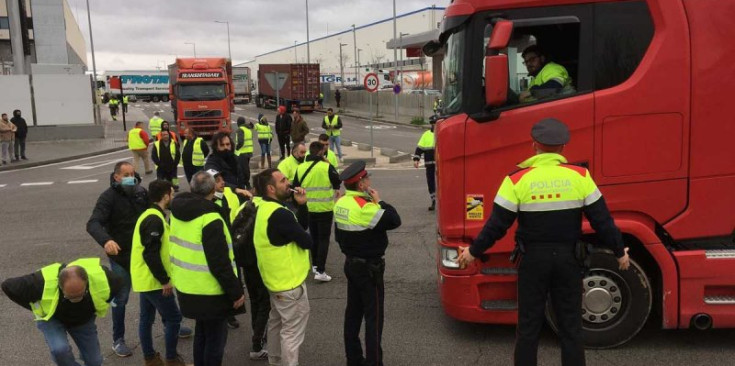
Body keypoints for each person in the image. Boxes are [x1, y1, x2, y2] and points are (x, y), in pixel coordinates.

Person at [456, 118, 631, 366]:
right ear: (562, 148)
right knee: (571, 327)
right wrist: (619, 251)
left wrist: (473, 252)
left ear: (534, 145)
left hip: (533, 261)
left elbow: (497, 225)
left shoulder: (517, 180)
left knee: (528, 327)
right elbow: (602, 220)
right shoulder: (580, 176)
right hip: (569, 260)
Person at [169, 171, 246, 366]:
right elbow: (220, 263)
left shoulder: (178, 211)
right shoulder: (211, 218)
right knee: (215, 340)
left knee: (202, 334)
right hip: (210, 291)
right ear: (212, 189)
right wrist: (236, 292)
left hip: (187, 287)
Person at [334, 161, 402, 366]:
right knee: (374, 319)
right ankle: (374, 362)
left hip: (351, 264)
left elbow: (338, 237)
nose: (369, 180)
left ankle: (353, 359)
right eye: (367, 178)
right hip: (370, 269)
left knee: (353, 314)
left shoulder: (341, 203)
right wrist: (379, 201)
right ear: (362, 185)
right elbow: (394, 220)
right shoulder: (365, 207)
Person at [1, 258, 124, 366]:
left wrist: (95, 306)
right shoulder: (40, 282)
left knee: (95, 361)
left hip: (83, 319)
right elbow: (7, 286)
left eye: (80, 295)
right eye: (70, 297)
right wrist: (33, 306)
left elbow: (119, 285)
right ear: (60, 286)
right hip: (52, 318)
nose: (76, 300)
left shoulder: (103, 277)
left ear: (87, 283)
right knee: (60, 350)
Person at [86, 161, 150, 357]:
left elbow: (152, 213)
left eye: (133, 173)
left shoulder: (141, 192)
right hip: (121, 257)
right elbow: (93, 223)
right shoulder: (108, 197)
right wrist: (106, 241)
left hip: (144, 255)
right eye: (126, 174)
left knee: (153, 292)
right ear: (116, 177)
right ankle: (118, 339)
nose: (131, 177)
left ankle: (172, 323)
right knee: (120, 299)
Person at [252, 168, 312, 366]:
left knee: (277, 324)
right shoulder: (280, 214)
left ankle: (275, 361)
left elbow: (298, 228)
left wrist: (301, 206)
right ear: (271, 188)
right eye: (283, 180)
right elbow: (306, 240)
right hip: (290, 284)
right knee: (291, 333)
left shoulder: (264, 208)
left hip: (274, 281)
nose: (288, 183)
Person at [130, 180, 189, 366]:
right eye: (171, 194)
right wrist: (164, 280)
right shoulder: (154, 219)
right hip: (154, 280)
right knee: (173, 318)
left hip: (145, 279)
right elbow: (151, 253)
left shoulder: (151, 215)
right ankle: (172, 359)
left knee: (146, 319)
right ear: (165, 196)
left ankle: (151, 359)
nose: (173, 197)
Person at [231, 178, 269, 360]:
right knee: (265, 304)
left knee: (255, 301)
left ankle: (258, 336)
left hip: (246, 263)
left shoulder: (244, 206)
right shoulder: (269, 209)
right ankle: (258, 343)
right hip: (262, 263)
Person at [293, 141, 342, 282]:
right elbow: (337, 180)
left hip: (309, 208)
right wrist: (327, 162)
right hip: (324, 209)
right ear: (321, 153)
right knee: (323, 239)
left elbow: (296, 186)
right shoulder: (326, 167)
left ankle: (314, 265)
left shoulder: (301, 167)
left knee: (313, 238)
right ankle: (320, 271)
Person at [413, 119, 436, 211]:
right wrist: (416, 159)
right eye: (434, 123)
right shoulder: (426, 135)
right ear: (431, 124)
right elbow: (419, 148)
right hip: (429, 164)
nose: (436, 125)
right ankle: (433, 200)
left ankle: (445, 201)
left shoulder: (443, 133)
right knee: (430, 183)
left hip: (441, 165)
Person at [235, 116, 254, 189]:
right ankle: (246, 183)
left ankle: (246, 184)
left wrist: (236, 148)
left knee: (243, 169)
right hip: (248, 152)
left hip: (241, 153)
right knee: (245, 168)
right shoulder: (248, 129)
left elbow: (240, 142)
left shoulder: (240, 129)